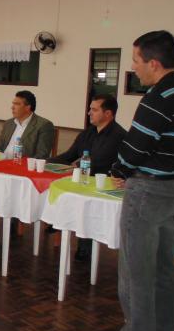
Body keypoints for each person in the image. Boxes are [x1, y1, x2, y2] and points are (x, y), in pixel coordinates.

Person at [91, 31, 174, 331]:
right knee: (164, 269)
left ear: (153, 63)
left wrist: (121, 168)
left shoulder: (158, 98)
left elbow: (136, 146)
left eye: (135, 60)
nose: (133, 68)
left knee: (136, 274)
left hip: (147, 191)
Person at [48, 94, 127, 261]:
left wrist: (78, 167)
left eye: (94, 110)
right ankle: (55, 221)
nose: (89, 113)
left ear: (108, 114)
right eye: (90, 109)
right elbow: (69, 155)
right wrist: (44, 162)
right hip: (82, 180)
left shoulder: (119, 136)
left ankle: (85, 245)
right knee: (55, 185)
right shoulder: (88, 133)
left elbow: (104, 164)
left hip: (103, 185)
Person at [0, 90, 55, 159]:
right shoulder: (8, 123)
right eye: (13, 104)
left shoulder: (44, 125)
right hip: (1, 162)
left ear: (28, 107)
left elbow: (42, 155)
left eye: (17, 104)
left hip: (22, 165)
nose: (12, 107)